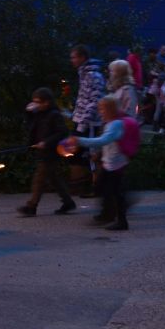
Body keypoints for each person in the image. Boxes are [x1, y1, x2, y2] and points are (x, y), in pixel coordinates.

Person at [69, 95, 134, 230]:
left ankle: (121, 221)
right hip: (109, 163)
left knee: (115, 193)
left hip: (116, 164)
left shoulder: (115, 124)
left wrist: (80, 140)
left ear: (110, 109)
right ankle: (108, 215)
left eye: (103, 109)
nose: (100, 112)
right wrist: (98, 155)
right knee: (102, 188)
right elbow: (107, 143)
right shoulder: (111, 123)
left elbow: (103, 140)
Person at [16, 88, 75, 217]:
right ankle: (68, 202)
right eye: (34, 102)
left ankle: (32, 206)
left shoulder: (54, 114)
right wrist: (29, 113)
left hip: (51, 151)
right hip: (42, 150)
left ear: (46, 102)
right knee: (53, 178)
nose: (35, 104)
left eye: (38, 102)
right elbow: (31, 127)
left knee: (39, 178)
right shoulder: (38, 113)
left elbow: (62, 132)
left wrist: (46, 142)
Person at [68, 45, 105, 197]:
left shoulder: (93, 76)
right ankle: (83, 186)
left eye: (74, 57)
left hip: (89, 123)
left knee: (90, 154)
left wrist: (82, 124)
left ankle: (93, 187)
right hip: (81, 120)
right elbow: (84, 99)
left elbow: (94, 100)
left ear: (83, 57)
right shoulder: (83, 74)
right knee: (79, 154)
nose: (72, 60)